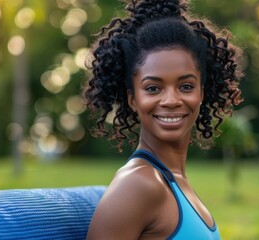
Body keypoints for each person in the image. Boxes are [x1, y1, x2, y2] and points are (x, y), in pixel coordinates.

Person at [82, 0, 244, 239]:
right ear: (132, 99)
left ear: (202, 92)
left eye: (186, 86)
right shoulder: (139, 185)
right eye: (153, 88)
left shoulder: (173, 181)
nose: (171, 100)